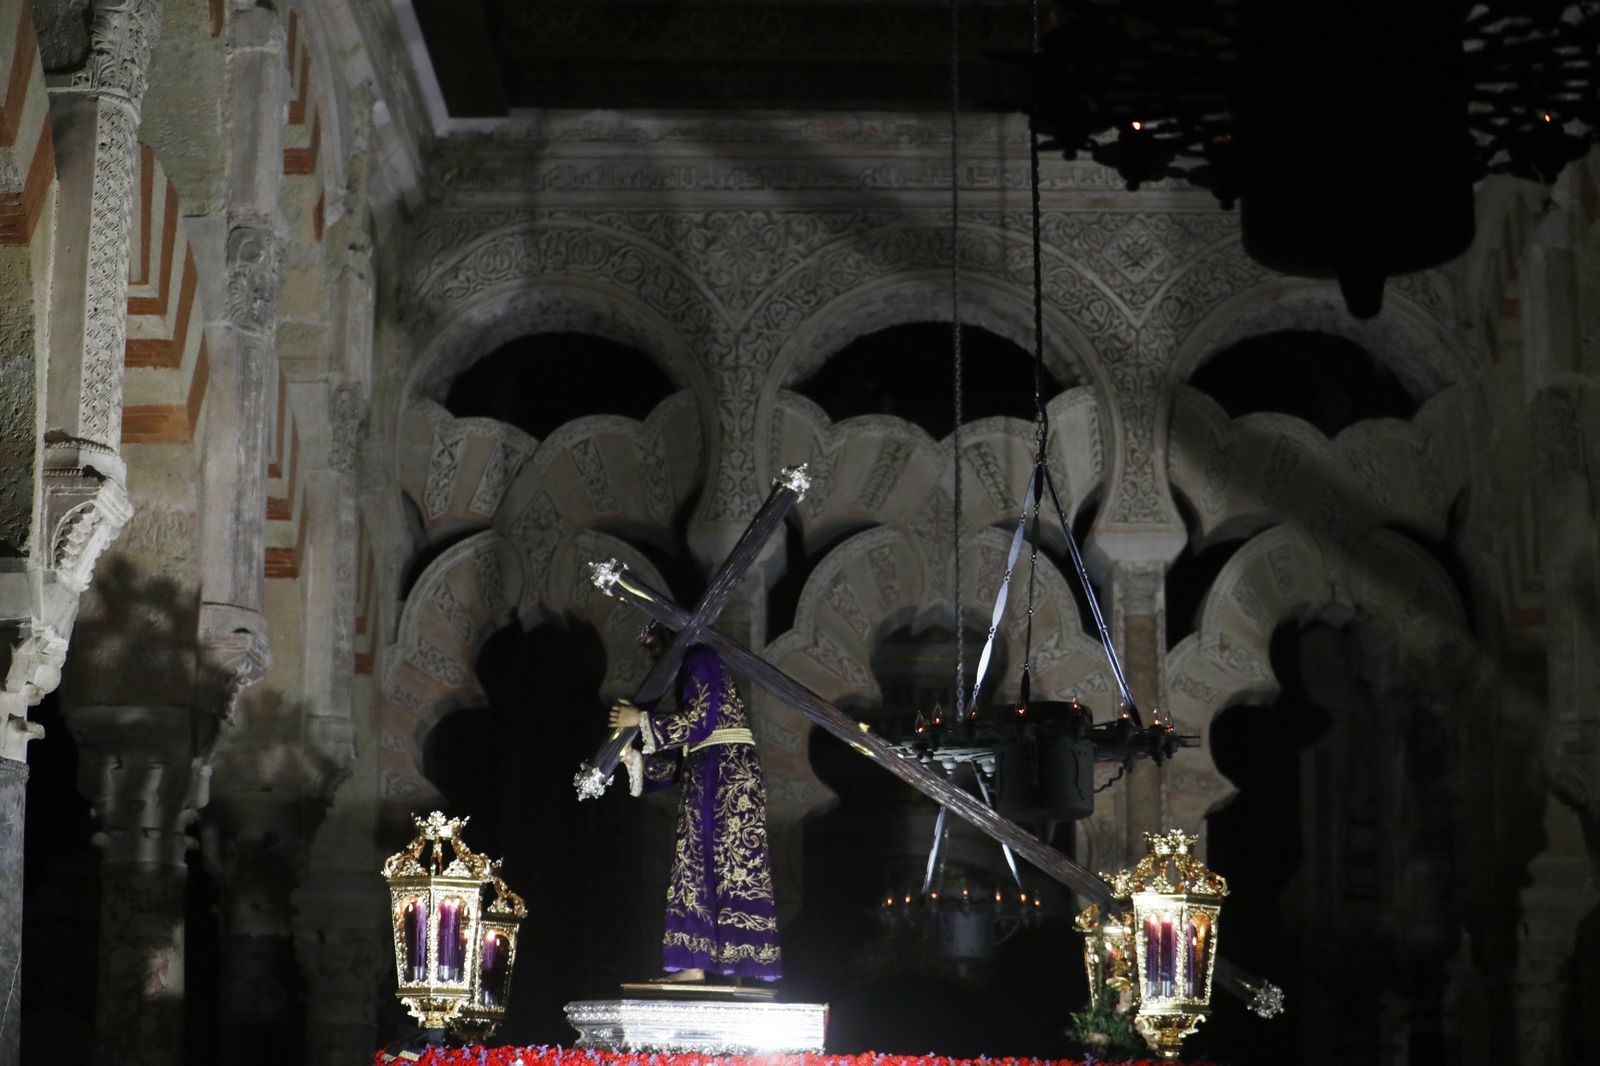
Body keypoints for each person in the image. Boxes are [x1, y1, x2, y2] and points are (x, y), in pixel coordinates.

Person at [609, 630, 782, 983]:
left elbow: (699, 721)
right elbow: (688, 754)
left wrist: (640, 720)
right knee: (692, 869)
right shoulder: (691, 665)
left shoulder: (701, 658)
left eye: (656, 648)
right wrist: (635, 760)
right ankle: (692, 965)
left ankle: (743, 964)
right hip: (709, 772)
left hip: (728, 776)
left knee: (735, 871)